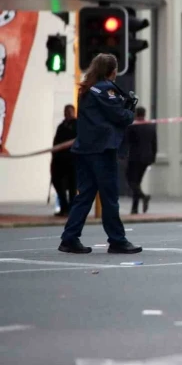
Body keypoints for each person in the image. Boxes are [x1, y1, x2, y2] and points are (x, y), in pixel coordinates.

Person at [59, 54, 142, 255]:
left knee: (85, 195)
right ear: (111, 71)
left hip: (84, 150)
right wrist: (130, 110)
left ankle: (69, 238)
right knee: (109, 196)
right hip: (101, 151)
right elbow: (120, 116)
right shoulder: (106, 89)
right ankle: (117, 240)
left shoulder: (87, 89)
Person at [126, 106, 157, 214]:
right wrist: (153, 158)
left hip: (135, 158)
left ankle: (143, 197)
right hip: (146, 158)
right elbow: (154, 144)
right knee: (137, 182)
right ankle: (134, 208)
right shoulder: (151, 127)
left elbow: (126, 141)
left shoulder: (133, 127)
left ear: (136, 114)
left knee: (130, 181)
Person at [51, 104, 77, 217]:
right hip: (59, 161)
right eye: (66, 112)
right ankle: (64, 207)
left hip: (73, 160)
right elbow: (56, 143)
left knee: (72, 186)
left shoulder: (78, 125)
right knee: (57, 183)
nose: (68, 114)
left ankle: (72, 209)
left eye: (70, 112)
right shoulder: (61, 126)